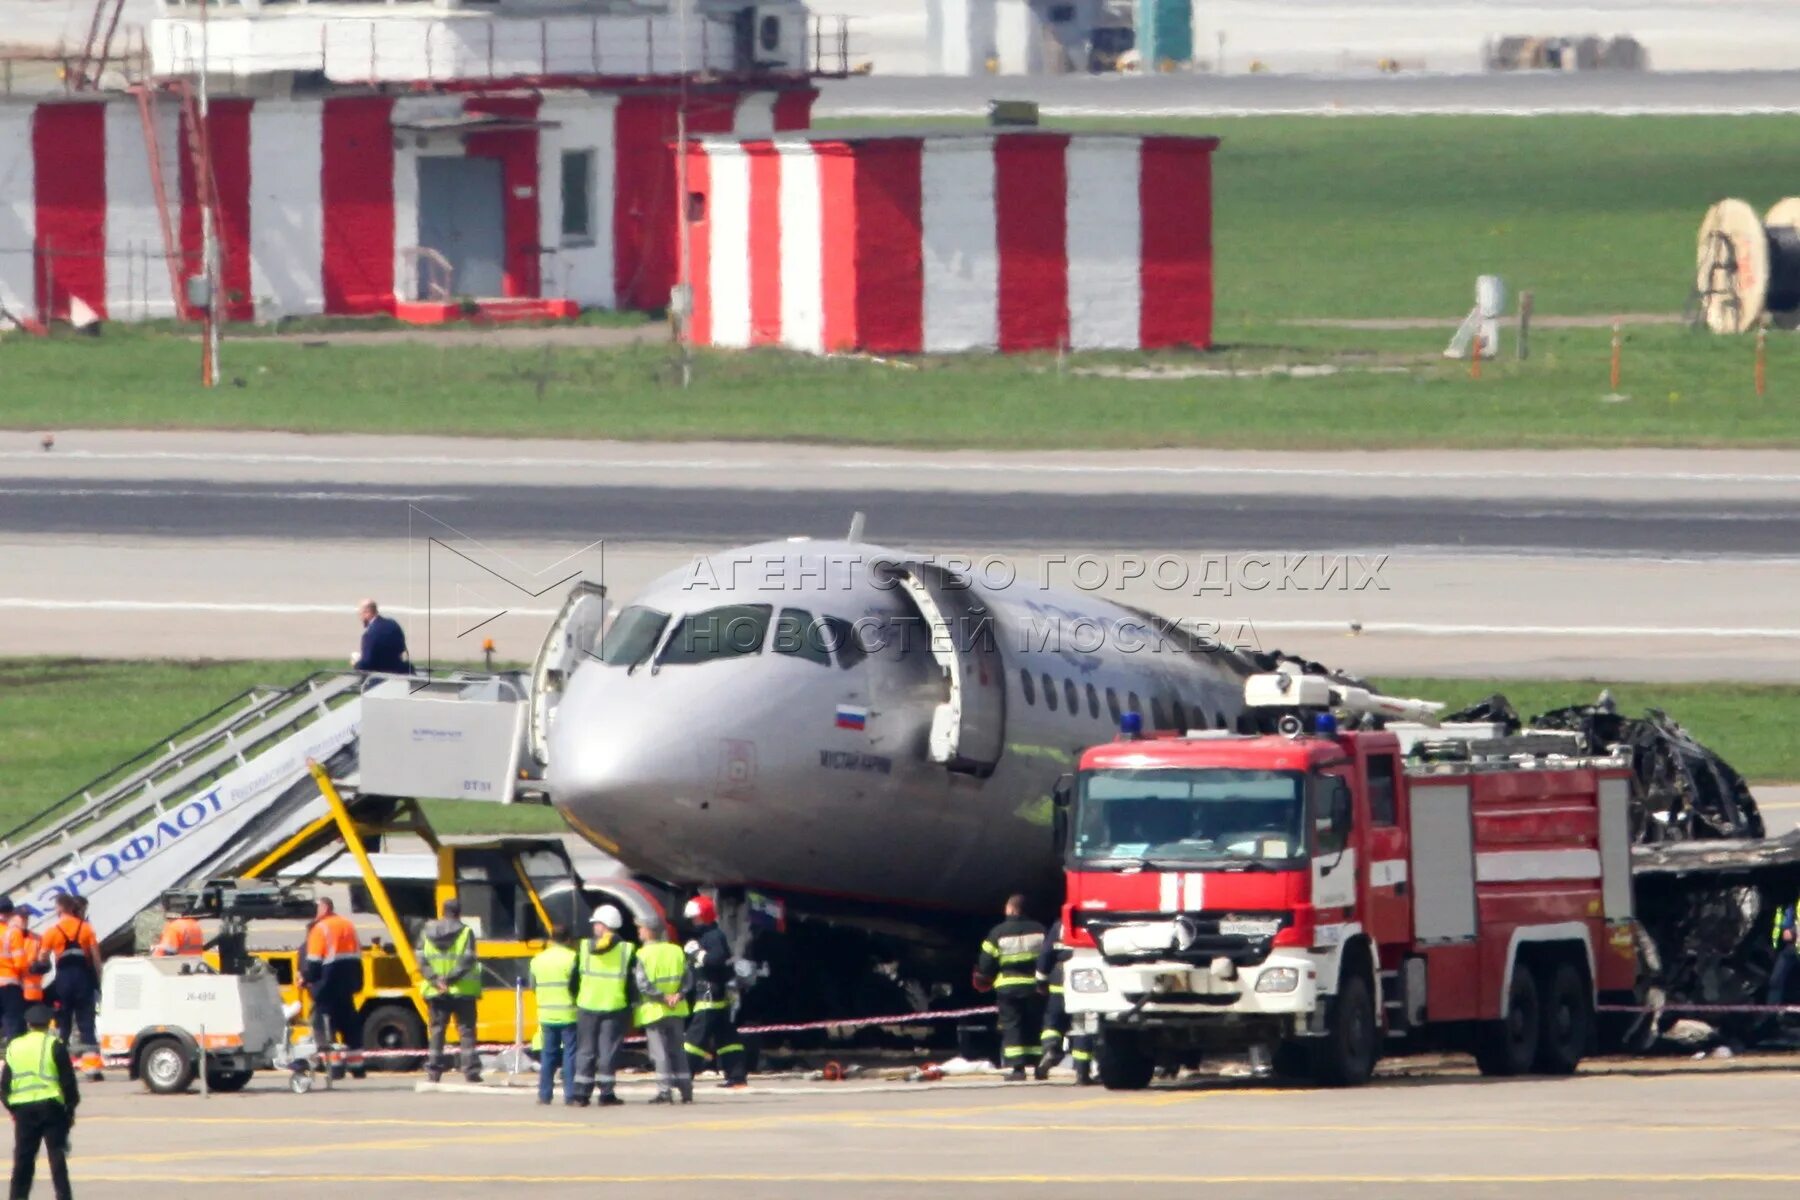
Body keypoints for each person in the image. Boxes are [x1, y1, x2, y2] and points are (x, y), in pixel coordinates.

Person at [3, 1005, 77, 1200]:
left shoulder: (14, 1046)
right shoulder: (55, 1044)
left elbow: (4, 1086)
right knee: (57, 1158)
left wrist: (13, 1109)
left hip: (24, 1110)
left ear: (28, 1024)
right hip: (52, 1109)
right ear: (48, 1024)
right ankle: (63, 1196)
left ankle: (17, 1197)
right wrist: (70, 1109)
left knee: (23, 1160)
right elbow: (68, 1082)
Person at [972, 894, 1046, 1081]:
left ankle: (1018, 1070)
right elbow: (1048, 957)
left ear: (1012, 909)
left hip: (1008, 987)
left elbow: (986, 963)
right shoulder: (1040, 930)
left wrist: (983, 977)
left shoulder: (998, 932)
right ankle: (1039, 1066)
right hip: (1034, 986)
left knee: (1013, 1026)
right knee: (1034, 1025)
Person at [681, 896, 747, 1088]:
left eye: (696, 918)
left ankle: (683, 1076)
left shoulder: (713, 936)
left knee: (694, 1038)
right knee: (727, 1039)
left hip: (709, 995)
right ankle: (736, 1077)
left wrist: (697, 953)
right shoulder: (708, 936)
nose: (694, 922)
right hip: (716, 995)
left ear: (705, 916)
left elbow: (716, 960)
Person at [573, 906, 635, 1108]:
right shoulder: (627, 950)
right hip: (615, 1006)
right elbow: (632, 983)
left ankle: (581, 1094)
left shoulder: (583, 947)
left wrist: (579, 997)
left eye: (596, 923)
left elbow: (573, 980)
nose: (594, 927)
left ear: (604, 925)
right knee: (608, 1052)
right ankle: (606, 1094)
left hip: (587, 1005)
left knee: (585, 1051)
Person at [417, 898, 481, 1084]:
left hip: (436, 991)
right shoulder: (466, 932)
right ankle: (470, 1071)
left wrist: (436, 980)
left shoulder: (426, 932)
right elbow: (468, 959)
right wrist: (450, 979)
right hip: (462, 990)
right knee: (466, 1031)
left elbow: (421, 959)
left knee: (437, 1031)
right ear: (459, 912)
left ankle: (434, 1071)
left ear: (443, 911)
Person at [37, 896, 101, 1082]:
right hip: (83, 980)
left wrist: (40, 966)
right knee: (87, 1025)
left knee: (63, 1026)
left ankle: (59, 1068)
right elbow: (96, 959)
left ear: (59, 908)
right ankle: (92, 1070)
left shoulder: (52, 932)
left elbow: (42, 958)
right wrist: (99, 979)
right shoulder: (86, 929)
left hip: (64, 981)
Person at [302, 897, 365, 1079]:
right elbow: (356, 954)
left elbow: (313, 963)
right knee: (349, 1024)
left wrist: (307, 978)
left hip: (327, 983)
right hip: (348, 981)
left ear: (324, 908)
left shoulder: (319, 929)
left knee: (324, 1024)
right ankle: (358, 1066)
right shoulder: (347, 924)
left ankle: (335, 1067)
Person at [631, 917, 692, 1104]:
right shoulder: (676, 951)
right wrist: (678, 995)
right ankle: (686, 1090)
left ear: (649, 931)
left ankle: (664, 1091)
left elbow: (643, 984)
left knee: (660, 1054)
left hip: (655, 1010)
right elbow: (688, 979)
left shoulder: (643, 955)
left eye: (640, 928)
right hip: (676, 1009)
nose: (638, 932)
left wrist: (662, 997)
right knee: (678, 1052)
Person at [1034, 918, 1093, 1085]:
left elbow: (1046, 954)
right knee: (1082, 1025)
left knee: (1052, 1022)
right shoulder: (1094, 922)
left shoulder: (1060, 925)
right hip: (1085, 978)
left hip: (1059, 979)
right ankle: (1082, 1073)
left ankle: (1051, 1048)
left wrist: (1041, 980)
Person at [529, 924, 580, 1106]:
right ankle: (570, 1094)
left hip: (546, 1013)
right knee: (570, 1054)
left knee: (548, 1054)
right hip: (569, 1012)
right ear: (568, 939)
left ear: (551, 939)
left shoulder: (537, 960)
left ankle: (544, 1095)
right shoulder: (574, 958)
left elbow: (533, 986)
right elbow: (577, 986)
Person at [351, 599, 412, 675]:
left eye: (360, 614)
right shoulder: (393, 624)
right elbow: (402, 649)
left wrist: (356, 664)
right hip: (401, 670)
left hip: (382, 677)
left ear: (367, 613)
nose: (360, 618)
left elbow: (366, 664)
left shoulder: (369, 634)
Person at [0, 899, 23, 1043]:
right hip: (9, 984)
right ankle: (12, 1061)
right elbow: (20, 963)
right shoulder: (13, 933)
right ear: (12, 912)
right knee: (12, 1023)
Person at [1770, 902, 1798, 1008]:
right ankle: (1771, 1015)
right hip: (1791, 948)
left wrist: (1793, 931)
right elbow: (1786, 934)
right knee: (1775, 981)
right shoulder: (1790, 908)